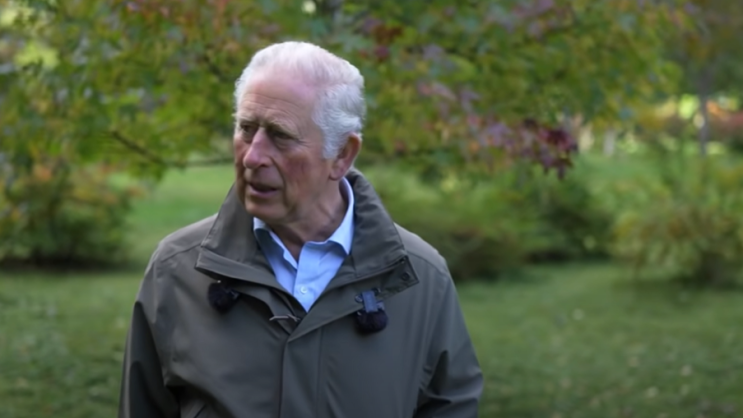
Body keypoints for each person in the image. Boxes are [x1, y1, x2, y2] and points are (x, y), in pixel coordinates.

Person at [118, 41, 483, 418]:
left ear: (341, 154)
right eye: (246, 129)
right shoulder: (177, 270)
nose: (253, 156)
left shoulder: (420, 277)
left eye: (280, 135)